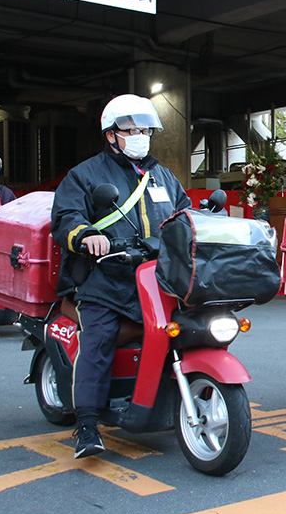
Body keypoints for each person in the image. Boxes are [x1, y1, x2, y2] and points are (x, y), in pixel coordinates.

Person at [52, 94, 191, 458]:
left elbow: (184, 216)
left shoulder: (161, 175)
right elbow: (66, 217)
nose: (141, 136)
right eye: (132, 130)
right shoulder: (85, 175)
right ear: (111, 135)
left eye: (145, 129)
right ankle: (86, 425)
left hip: (157, 279)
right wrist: (86, 235)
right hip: (105, 280)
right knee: (99, 338)